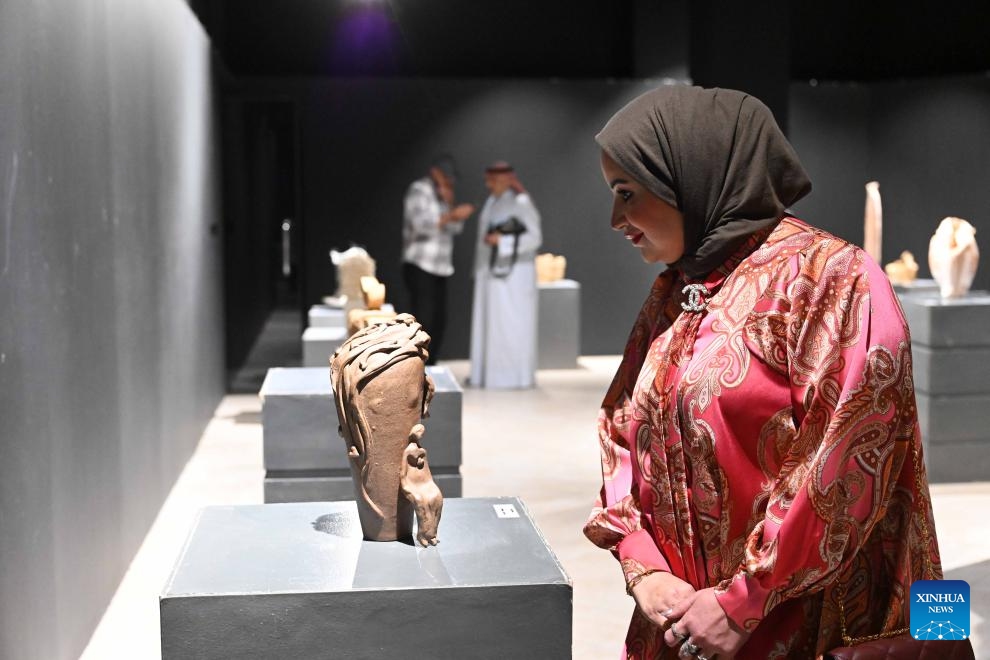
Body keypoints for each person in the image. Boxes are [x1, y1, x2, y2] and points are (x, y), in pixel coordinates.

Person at [582, 86, 942, 659]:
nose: (615, 219)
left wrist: (740, 602)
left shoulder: (830, 278)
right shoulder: (678, 291)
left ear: (691, 176)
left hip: (794, 628)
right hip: (680, 630)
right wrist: (643, 566)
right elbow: (623, 429)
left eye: (628, 193)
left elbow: (841, 462)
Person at [468, 161, 542, 388]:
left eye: (492, 179)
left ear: (505, 179)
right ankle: (487, 376)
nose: (488, 184)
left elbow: (535, 238)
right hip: (491, 275)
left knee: (512, 326)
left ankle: (511, 378)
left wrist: (503, 240)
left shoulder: (521, 202)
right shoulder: (492, 201)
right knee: (491, 326)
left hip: (514, 278)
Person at [402, 155, 475, 365]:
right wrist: (450, 216)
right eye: (446, 177)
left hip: (441, 266)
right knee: (423, 318)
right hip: (420, 263)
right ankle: (416, 364)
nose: (450, 182)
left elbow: (454, 229)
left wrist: (453, 210)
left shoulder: (443, 195)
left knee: (439, 319)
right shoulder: (419, 190)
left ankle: (431, 363)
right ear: (435, 173)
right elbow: (419, 225)